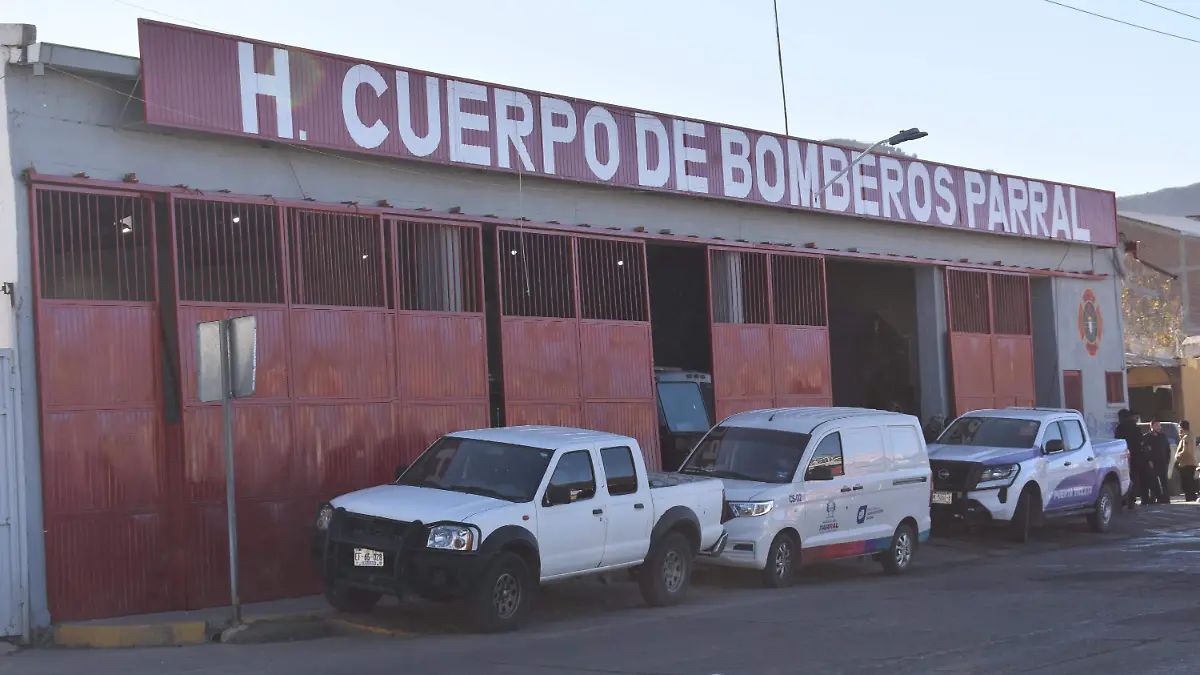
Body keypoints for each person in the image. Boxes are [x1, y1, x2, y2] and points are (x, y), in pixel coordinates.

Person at [1114, 409, 1147, 509]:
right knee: (1134, 477)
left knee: (1123, 477)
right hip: (1136, 456)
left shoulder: (1120, 428)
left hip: (1124, 456)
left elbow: (1117, 441)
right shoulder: (1135, 427)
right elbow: (1141, 440)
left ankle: (1123, 499)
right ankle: (1131, 499)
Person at [1145, 419, 1173, 504]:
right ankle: (1153, 498)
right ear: (1151, 426)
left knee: (1164, 481)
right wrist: (1148, 460)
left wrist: (1167, 460)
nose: (1158, 427)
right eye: (1156, 425)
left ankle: (1165, 498)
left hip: (1162, 462)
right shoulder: (1147, 437)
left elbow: (1168, 449)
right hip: (1152, 463)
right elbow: (1145, 450)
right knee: (1153, 481)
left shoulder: (1163, 436)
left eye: (1159, 425)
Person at [1176, 420, 1197, 502]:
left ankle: (1190, 498)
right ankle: (1191, 497)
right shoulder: (1190, 435)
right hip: (1190, 462)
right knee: (1189, 482)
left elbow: (1186, 451)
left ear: (1182, 427)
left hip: (1186, 463)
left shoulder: (1187, 437)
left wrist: (1177, 456)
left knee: (1187, 483)